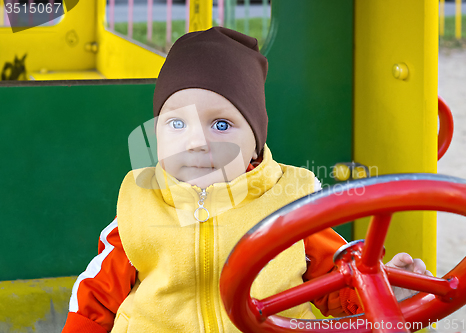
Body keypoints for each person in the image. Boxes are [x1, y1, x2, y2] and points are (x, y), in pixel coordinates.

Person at [61, 26, 432, 333]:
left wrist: (384, 289)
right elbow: (95, 298)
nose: (195, 142)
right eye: (177, 123)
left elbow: (339, 283)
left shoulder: (292, 204)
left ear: (255, 143)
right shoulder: (139, 208)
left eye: (221, 124)